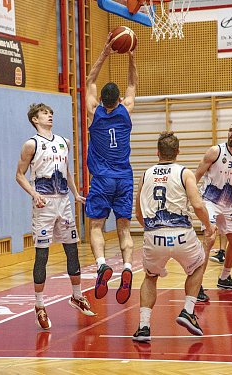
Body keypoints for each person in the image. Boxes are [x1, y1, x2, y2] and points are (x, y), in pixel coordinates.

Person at [16, 103, 95, 330]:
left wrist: (76, 193)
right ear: (34, 119)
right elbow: (19, 174)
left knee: (72, 249)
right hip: (44, 205)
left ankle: (77, 296)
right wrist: (33, 193)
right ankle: (39, 305)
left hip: (64, 203)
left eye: (51, 113)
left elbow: (67, 171)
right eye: (44, 113)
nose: (49, 116)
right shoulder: (32, 144)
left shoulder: (64, 142)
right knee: (42, 256)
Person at [132, 131, 216, 342]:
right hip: (181, 234)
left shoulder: (147, 173)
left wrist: (150, 229)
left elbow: (138, 213)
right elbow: (197, 205)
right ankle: (188, 310)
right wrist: (208, 227)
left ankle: (143, 327)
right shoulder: (185, 173)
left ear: (157, 152)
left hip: (154, 235)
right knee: (197, 265)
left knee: (150, 277)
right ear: (178, 151)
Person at [85, 33, 138, 304]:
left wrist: (105, 52)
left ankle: (102, 264)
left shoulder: (94, 113)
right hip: (124, 177)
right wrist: (130, 56)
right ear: (118, 100)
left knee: (95, 224)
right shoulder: (126, 110)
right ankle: (128, 267)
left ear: (102, 101)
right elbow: (132, 84)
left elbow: (90, 81)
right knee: (124, 227)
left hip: (102, 178)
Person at [196, 121, 232, 301]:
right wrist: (189, 198)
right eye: (230, 130)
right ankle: (196, 285)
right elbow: (196, 174)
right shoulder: (215, 151)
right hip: (209, 201)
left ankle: (224, 278)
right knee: (210, 238)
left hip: (227, 204)